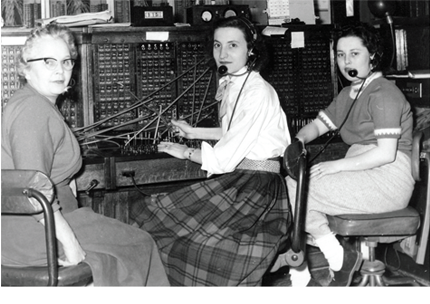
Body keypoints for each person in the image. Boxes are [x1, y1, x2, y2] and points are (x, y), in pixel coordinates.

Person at [1, 24, 169, 286]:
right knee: (141, 244)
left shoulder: (30, 101)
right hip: (34, 233)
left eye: (66, 62)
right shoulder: (33, 109)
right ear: (25, 68)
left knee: (129, 241)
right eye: (48, 61)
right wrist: (70, 243)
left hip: (35, 226)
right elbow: (31, 188)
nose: (60, 70)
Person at [129, 16, 292, 286]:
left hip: (260, 187)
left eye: (232, 46)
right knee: (150, 215)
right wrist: (193, 133)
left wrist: (185, 152)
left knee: (196, 244)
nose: (223, 54)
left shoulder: (257, 91)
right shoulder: (233, 83)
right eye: (217, 45)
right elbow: (234, 133)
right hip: (243, 180)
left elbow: (225, 157)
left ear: (250, 49)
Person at [276, 22, 415, 286]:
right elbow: (319, 125)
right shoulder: (348, 93)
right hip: (361, 170)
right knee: (290, 187)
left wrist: (338, 166)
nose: (345, 61)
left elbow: (385, 154)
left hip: (388, 178)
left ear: (372, 55)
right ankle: (333, 254)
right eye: (340, 55)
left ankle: (322, 259)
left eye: (354, 53)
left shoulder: (384, 93)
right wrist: (298, 141)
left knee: (295, 191)